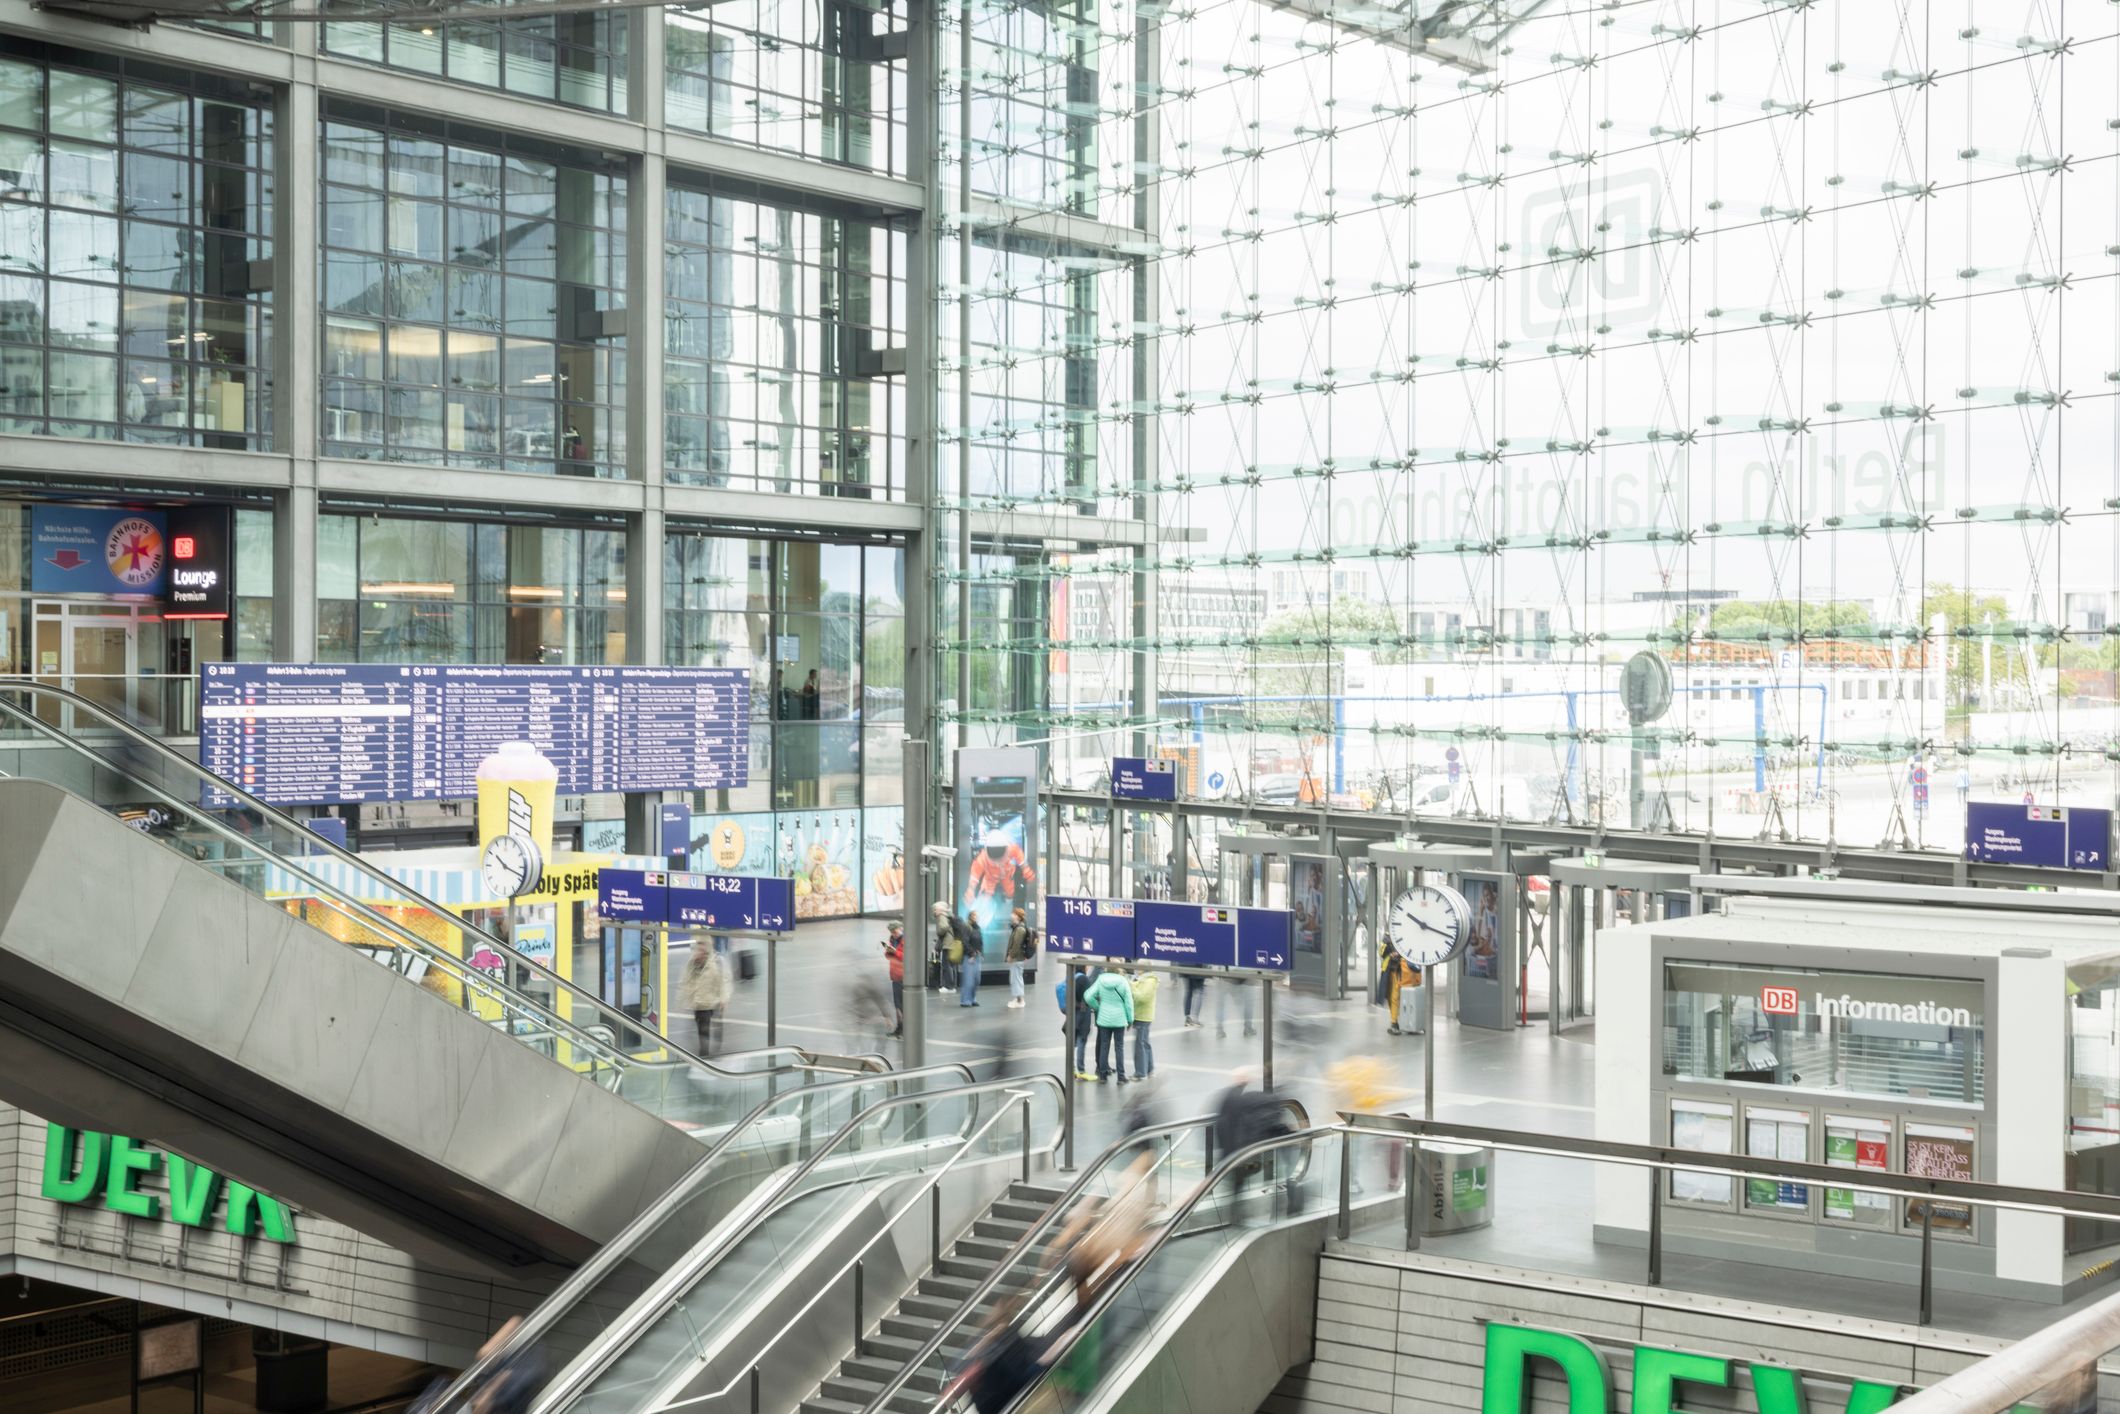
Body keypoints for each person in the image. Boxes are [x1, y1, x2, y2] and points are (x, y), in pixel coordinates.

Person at [1085, 967, 1136, 1083]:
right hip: (1119, 1019)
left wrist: (1098, 1007)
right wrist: (1130, 1019)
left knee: (1104, 1046)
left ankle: (1102, 1076)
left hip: (1104, 1019)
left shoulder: (1101, 979)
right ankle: (1121, 1077)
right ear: (1118, 970)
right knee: (1119, 1047)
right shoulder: (1123, 981)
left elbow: (1088, 996)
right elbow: (1129, 1002)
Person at [679, 938, 730, 1055]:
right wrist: (683, 999)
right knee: (702, 1030)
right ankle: (704, 1053)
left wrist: (723, 998)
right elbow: (686, 980)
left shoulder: (717, 962)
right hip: (700, 1002)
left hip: (715, 1001)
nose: (699, 952)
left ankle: (716, 1047)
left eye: (702, 950)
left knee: (715, 1026)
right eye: (698, 949)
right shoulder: (692, 962)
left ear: (707, 950)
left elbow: (724, 981)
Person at [1057, 966, 1096, 1079]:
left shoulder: (1071, 977)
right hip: (1082, 1016)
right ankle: (1081, 1071)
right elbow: (1088, 998)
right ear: (1083, 966)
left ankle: (1072, 1069)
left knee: (1072, 1044)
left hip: (1072, 1015)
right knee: (1081, 1042)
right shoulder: (1083, 979)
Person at [1382, 948, 1422, 1036]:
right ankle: (1411, 1023)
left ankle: (1395, 1023)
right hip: (1407, 971)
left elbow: (1383, 952)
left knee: (1395, 998)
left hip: (1400, 971)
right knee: (1409, 998)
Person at [1128, 967, 1158, 1078]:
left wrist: (1131, 986)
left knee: (1140, 1044)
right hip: (1143, 1015)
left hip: (1142, 1016)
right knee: (1144, 1042)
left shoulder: (1148, 982)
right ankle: (1149, 1069)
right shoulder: (1145, 979)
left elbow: (1142, 998)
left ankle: (1140, 1073)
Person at [1005, 908, 1037, 1008]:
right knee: (1016, 978)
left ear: (1018, 916)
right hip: (1018, 958)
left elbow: (1016, 945)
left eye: (1013, 914)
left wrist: (1011, 956)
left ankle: (1020, 1001)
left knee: (1016, 979)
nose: (1011, 915)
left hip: (1017, 958)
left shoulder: (1019, 929)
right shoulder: (1019, 928)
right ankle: (1017, 998)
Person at [882, 922, 906, 1036]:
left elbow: (907, 956)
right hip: (895, 974)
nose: (893, 934)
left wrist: (895, 952)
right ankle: (900, 1027)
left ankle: (905, 1027)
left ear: (901, 928)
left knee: (905, 1004)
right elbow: (888, 956)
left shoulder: (906, 940)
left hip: (904, 975)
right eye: (892, 932)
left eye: (895, 931)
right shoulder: (892, 940)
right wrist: (889, 951)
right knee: (898, 1004)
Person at [932, 902, 963, 992]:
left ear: (940, 909)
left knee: (946, 966)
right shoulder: (949, 915)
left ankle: (948, 986)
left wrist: (939, 932)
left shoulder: (942, 916)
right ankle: (952, 986)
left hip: (947, 944)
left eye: (936, 909)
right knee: (952, 966)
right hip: (952, 943)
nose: (935, 911)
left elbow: (943, 928)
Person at [960, 909, 985, 1006]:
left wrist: (981, 953)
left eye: (976, 916)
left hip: (977, 957)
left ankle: (972, 998)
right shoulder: (966, 927)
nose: (976, 917)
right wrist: (971, 953)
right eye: (974, 915)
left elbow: (980, 942)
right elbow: (965, 942)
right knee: (968, 980)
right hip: (969, 957)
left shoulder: (978, 928)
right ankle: (965, 1000)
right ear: (970, 917)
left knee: (976, 980)